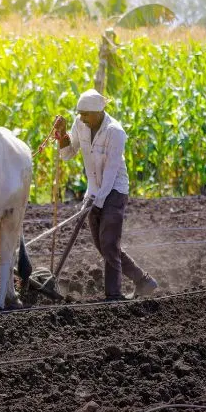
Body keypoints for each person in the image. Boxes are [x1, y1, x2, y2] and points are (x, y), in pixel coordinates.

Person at [55, 89, 158, 301]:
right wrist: (63, 134)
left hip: (115, 191)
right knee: (103, 245)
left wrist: (98, 202)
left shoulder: (115, 131)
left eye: (86, 115)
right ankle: (143, 280)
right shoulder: (79, 124)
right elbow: (67, 155)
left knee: (109, 244)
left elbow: (111, 171)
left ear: (99, 112)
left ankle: (114, 295)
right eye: (80, 114)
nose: (82, 119)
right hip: (93, 190)